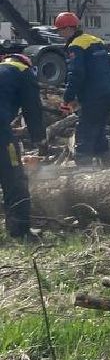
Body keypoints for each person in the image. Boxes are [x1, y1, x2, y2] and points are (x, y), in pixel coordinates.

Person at [57, 11, 110, 167]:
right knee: (98, 129)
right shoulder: (96, 41)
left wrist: (67, 98)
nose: (60, 34)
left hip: (94, 96)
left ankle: (84, 172)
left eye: (60, 30)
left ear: (68, 29)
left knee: (84, 132)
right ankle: (106, 167)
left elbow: (76, 74)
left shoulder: (76, 46)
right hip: (109, 93)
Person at [0, 53, 46, 239]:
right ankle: (20, 231)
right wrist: (40, 139)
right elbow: (32, 108)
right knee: (14, 178)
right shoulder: (23, 71)